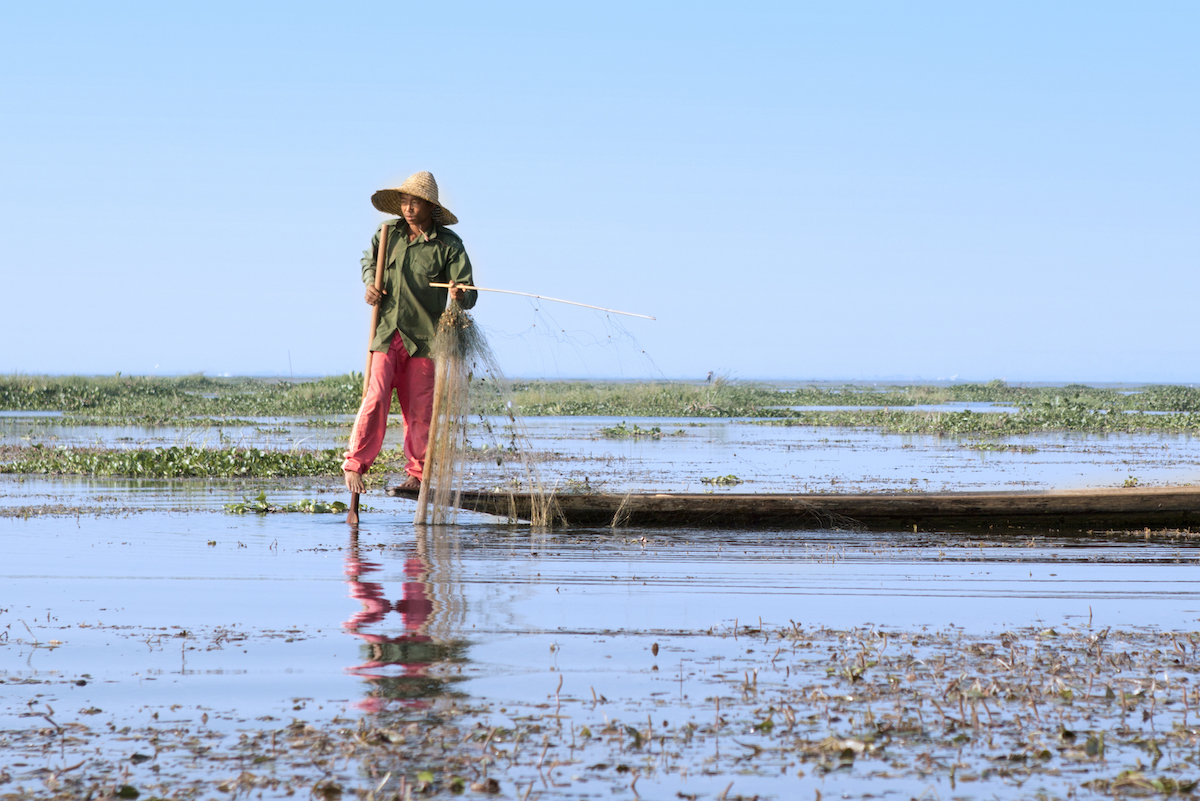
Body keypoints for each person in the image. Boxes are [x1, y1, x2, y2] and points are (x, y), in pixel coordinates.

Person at [342, 171, 477, 494]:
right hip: (387, 333)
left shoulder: (448, 245)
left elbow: (469, 293)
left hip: (426, 340)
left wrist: (459, 295)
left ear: (430, 207)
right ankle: (355, 465)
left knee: (419, 411)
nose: (408, 207)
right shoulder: (388, 233)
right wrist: (370, 285)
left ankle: (417, 474)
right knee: (375, 398)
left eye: (415, 202)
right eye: (404, 201)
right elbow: (368, 261)